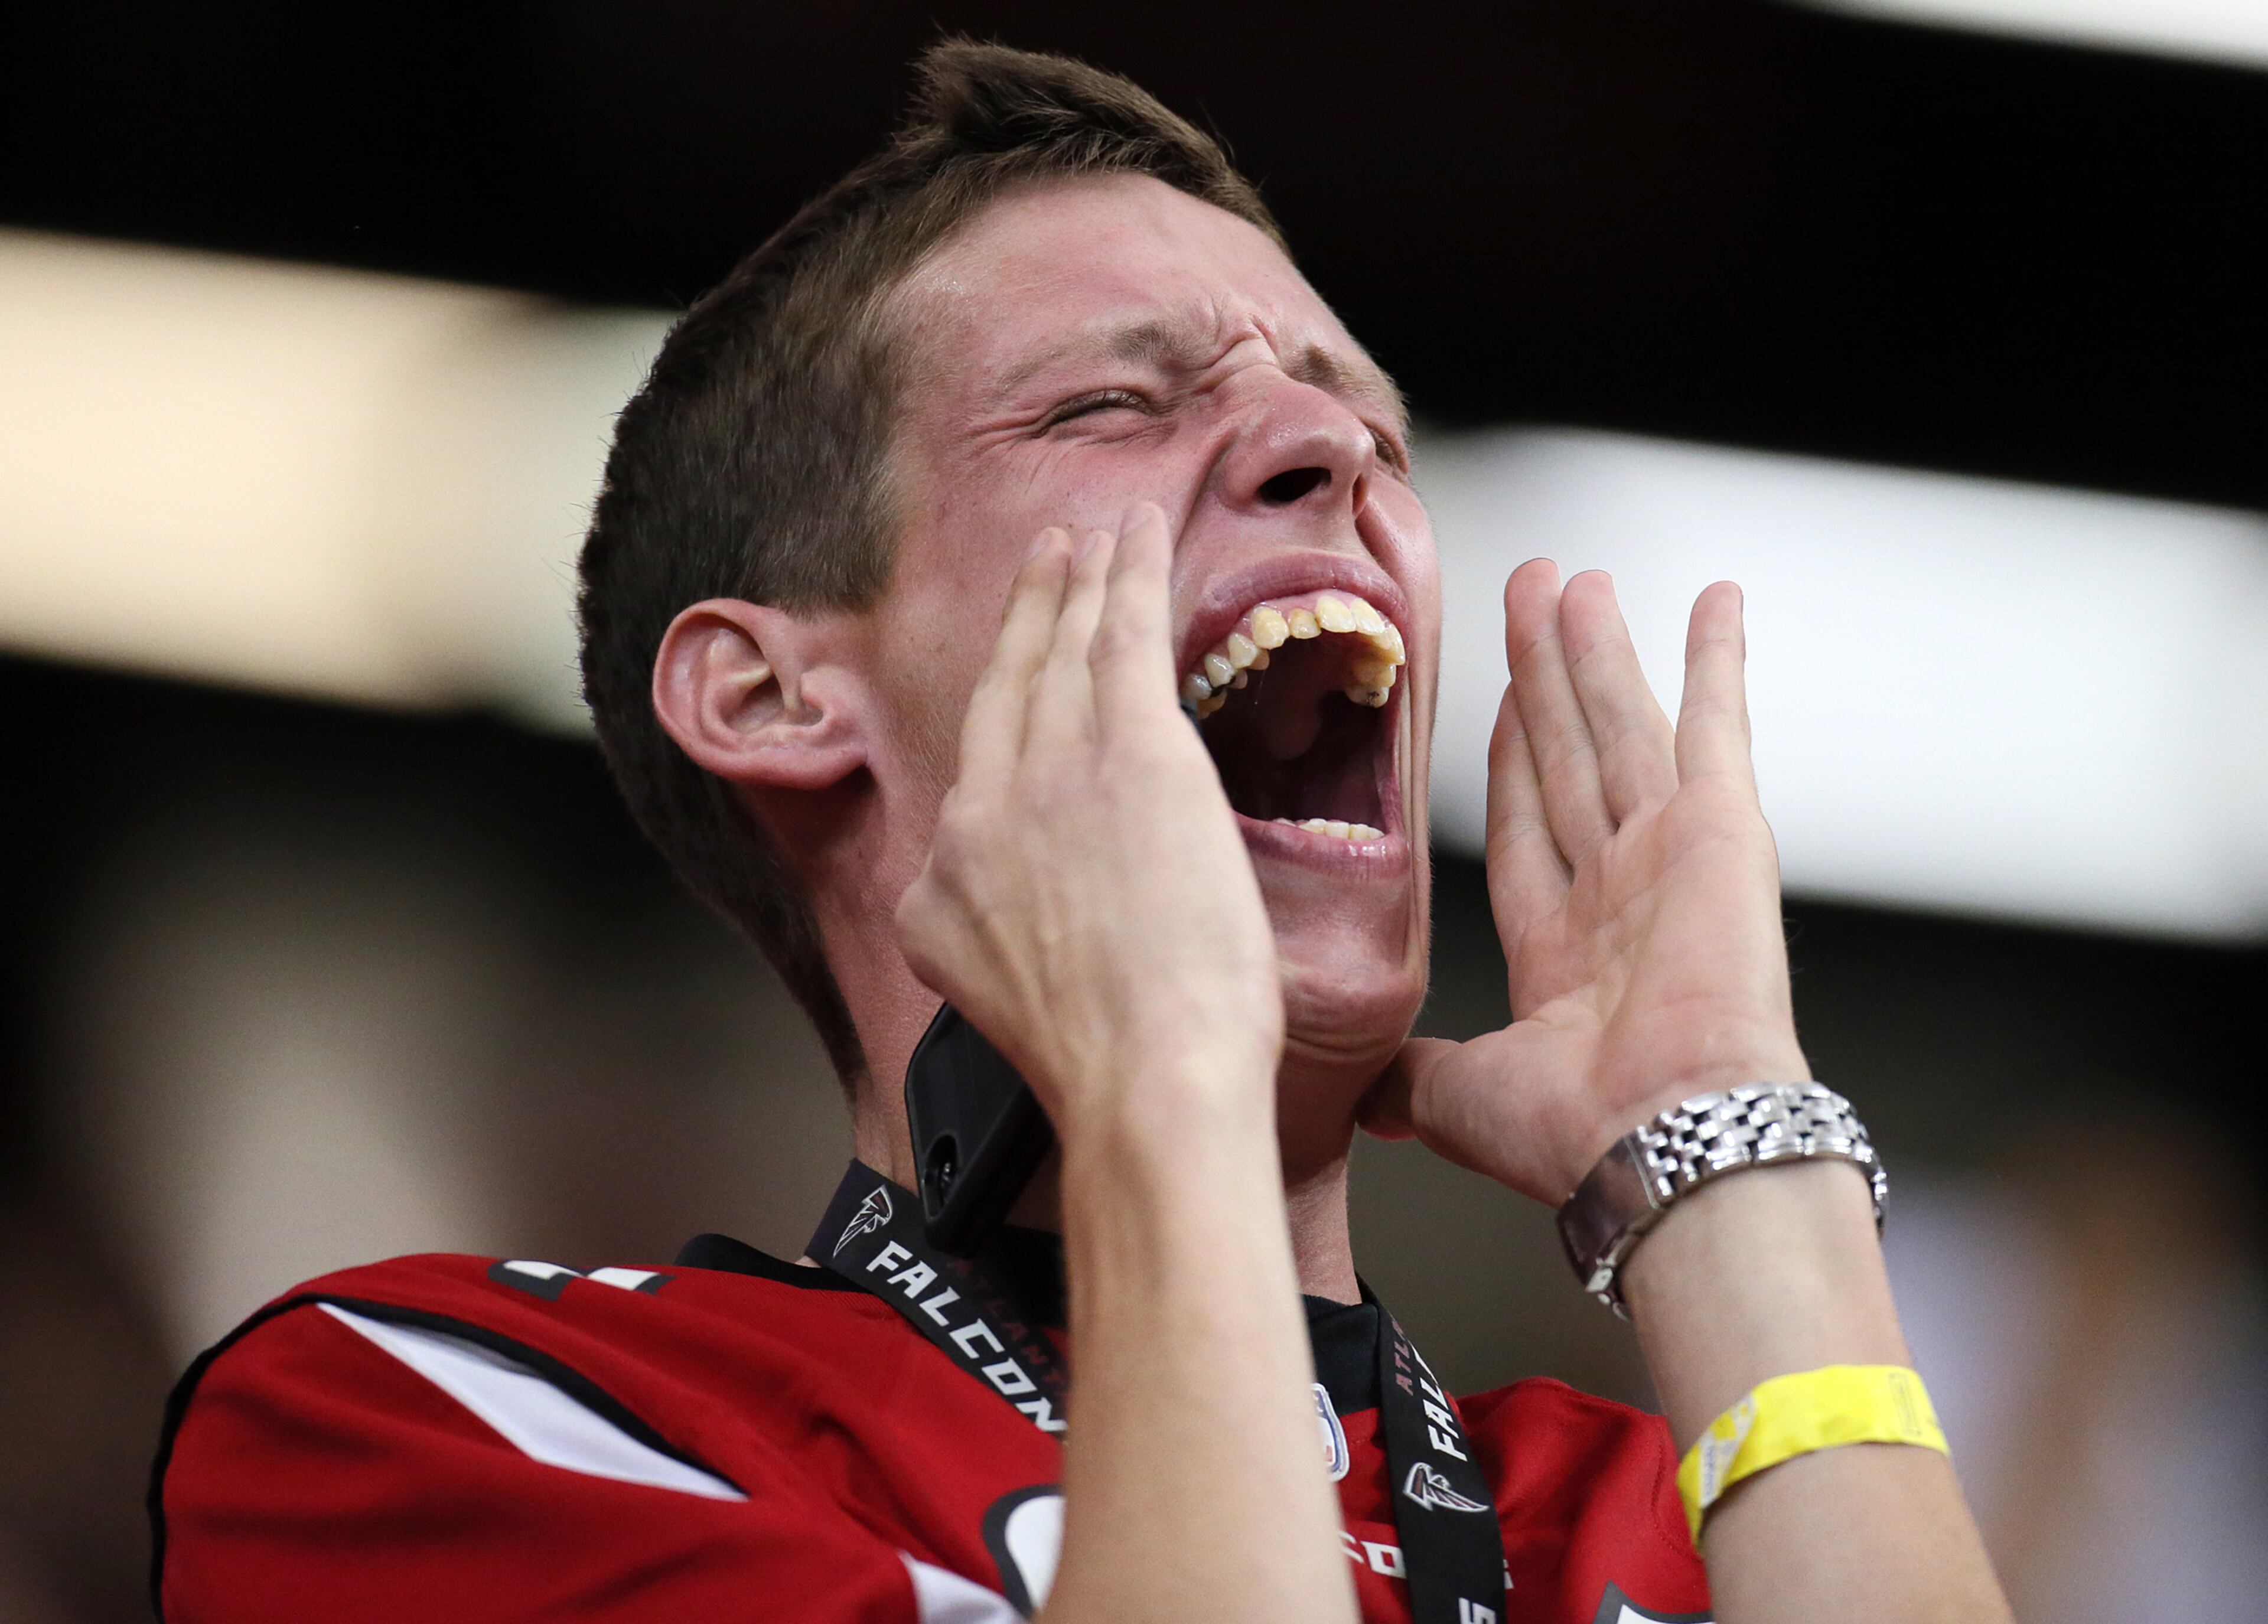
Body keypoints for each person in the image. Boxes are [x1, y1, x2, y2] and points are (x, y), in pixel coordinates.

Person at [149, 41, 2013, 1624]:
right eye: (1113, 403)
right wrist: (1157, 1077)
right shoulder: (456, 1421)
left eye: (1365, 422)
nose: (1329, 452)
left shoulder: (1687, 1526)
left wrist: (1724, 1167)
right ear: (772, 697)